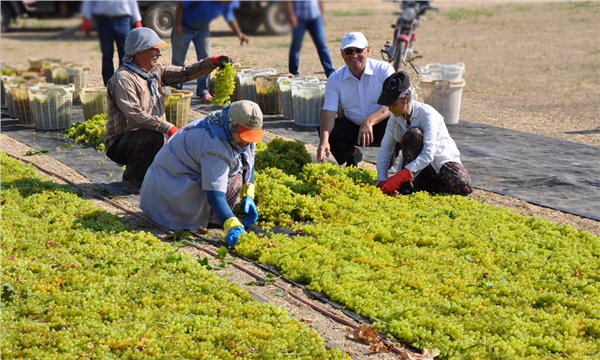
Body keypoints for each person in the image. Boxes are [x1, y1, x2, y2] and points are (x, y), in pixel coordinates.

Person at [104, 27, 232, 194]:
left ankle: (153, 176)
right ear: (139, 52)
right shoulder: (123, 78)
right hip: (122, 142)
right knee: (152, 137)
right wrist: (168, 128)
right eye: (154, 49)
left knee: (175, 141)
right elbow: (135, 115)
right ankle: (134, 182)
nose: (159, 53)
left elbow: (186, 73)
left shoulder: (156, 71)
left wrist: (212, 62)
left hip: (151, 134)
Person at [140, 100, 263, 247]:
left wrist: (248, 194)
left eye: (251, 136)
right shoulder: (214, 144)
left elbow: (248, 162)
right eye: (244, 135)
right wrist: (232, 224)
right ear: (233, 125)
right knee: (233, 182)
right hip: (169, 190)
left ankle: (214, 214)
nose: (247, 142)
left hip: (170, 179)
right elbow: (215, 194)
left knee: (234, 175)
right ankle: (210, 219)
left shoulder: (226, 126)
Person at [376, 71, 472, 196]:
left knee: (462, 184)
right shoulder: (394, 118)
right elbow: (386, 148)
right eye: (388, 105)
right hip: (418, 170)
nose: (390, 109)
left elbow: (428, 154)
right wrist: (382, 179)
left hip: (439, 162)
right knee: (412, 135)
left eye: (393, 104)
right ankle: (410, 184)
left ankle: (421, 185)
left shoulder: (427, 115)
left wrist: (400, 176)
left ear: (406, 99)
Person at [317, 32, 396, 167]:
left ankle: (392, 160)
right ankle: (352, 154)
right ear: (342, 54)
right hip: (354, 127)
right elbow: (329, 112)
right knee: (326, 131)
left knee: (401, 127)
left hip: (383, 124)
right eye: (349, 51)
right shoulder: (335, 78)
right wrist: (324, 140)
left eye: (359, 50)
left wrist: (369, 121)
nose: (354, 56)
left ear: (368, 50)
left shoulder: (384, 70)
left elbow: (391, 104)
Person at [171, 1, 249, 101]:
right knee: (178, 60)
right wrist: (177, 24)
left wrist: (240, 34)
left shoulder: (227, 4)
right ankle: (176, 90)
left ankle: (203, 90)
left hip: (202, 30)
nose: (229, 3)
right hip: (184, 26)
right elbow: (181, 4)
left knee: (206, 59)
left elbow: (229, 17)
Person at [81, 0, 143, 85]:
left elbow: (132, 2)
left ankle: (125, 83)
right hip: (104, 21)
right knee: (107, 55)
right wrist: (86, 18)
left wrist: (137, 20)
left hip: (123, 20)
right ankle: (109, 85)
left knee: (126, 55)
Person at [285, 0, 335, 78]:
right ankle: (293, 73)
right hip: (299, 18)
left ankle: (330, 72)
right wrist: (291, 16)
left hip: (315, 16)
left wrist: (323, 14)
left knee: (322, 44)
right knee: (296, 46)